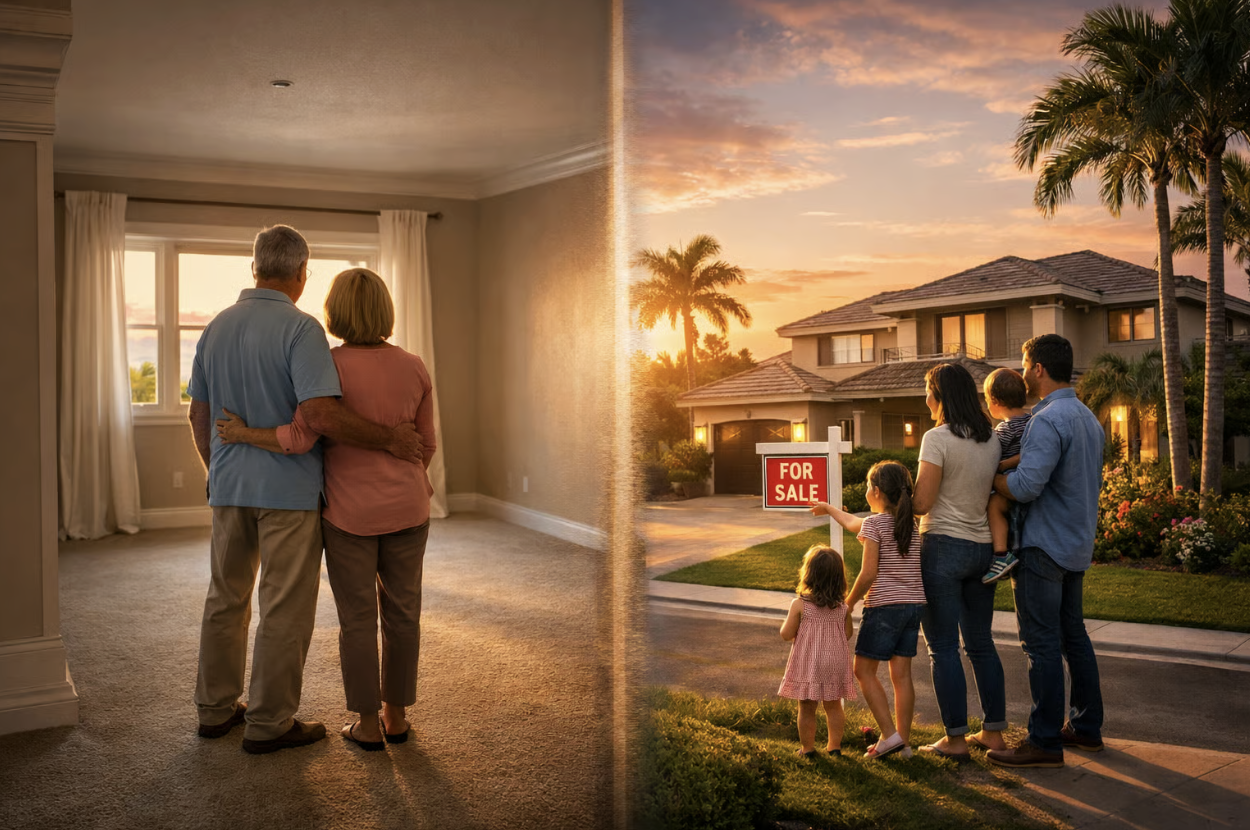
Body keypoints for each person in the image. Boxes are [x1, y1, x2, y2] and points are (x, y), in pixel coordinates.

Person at [188, 226, 422, 755]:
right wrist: (390, 439)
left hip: (228, 486)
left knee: (225, 598)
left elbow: (198, 412)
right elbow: (318, 413)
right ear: (301, 273)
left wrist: (217, 467)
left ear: (254, 268)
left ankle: (215, 710)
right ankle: (269, 722)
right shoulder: (301, 328)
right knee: (284, 607)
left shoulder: (216, 327)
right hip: (287, 494)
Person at [987, 334, 1105, 769]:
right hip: (1076, 545)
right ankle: (1087, 730)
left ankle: (1044, 742)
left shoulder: (1048, 420)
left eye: (1023, 363)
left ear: (1038, 369)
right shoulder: (1089, 419)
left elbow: (1025, 486)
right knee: (1074, 638)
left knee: (1040, 645)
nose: (1021, 371)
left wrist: (992, 482)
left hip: (1043, 548)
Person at [912, 362, 1009, 760]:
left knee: (943, 647)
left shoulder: (936, 439)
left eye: (928, 391)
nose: (926, 399)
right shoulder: (990, 440)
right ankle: (994, 735)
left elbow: (922, 502)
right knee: (981, 645)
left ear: (939, 396)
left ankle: (954, 740)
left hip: (943, 548)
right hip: (982, 549)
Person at [811, 461, 925, 760]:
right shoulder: (908, 524)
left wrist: (847, 605)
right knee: (902, 676)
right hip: (913, 607)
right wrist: (829, 508)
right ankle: (904, 744)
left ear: (876, 491)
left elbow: (869, 573)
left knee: (862, 670)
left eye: (865, 487)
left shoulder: (876, 525)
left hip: (885, 607)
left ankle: (889, 737)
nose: (865, 492)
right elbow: (851, 522)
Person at [778, 545, 856, 758]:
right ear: (839, 577)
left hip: (809, 662)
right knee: (833, 705)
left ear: (808, 574)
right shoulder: (843, 607)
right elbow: (847, 633)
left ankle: (808, 749)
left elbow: (786, 634)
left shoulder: (800, 605)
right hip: (835, 662)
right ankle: (834, 747)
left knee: (806, 706)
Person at [981, 368, 1033, 584]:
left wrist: (1001, 465)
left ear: (994, 400)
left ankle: (1001, 554)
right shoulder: (1033, 421)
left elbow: (990, 457)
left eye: (986, 399)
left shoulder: (1005, 429)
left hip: (1009, 483)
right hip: (1029, 481)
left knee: (993, 506)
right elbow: (1032, 452)